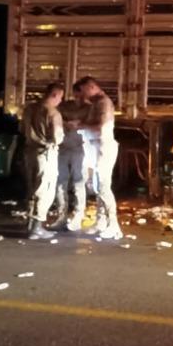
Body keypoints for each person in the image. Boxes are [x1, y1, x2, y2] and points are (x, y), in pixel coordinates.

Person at [77, 76, 122, 240]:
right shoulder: (96, 103)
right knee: (98, 187)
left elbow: (102, 128)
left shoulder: (104, 103)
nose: (83, 96)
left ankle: (114, 225)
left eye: (83, 91)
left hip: (103, 148)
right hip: (95, 147)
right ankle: (101, 221)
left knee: (103, 187)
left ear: (91, 87)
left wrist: (80, 126)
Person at [21, 82, 64, 239]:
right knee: (44, 189)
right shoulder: (53, 113)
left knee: (32, 187)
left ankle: (29, 224)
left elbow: (22, 129)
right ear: (55, 95)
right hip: (45, 153)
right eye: (60, 97)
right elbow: (57, 138)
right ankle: (37, 228)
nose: (60, 100)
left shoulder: (29, 108)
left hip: (29, 151)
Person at [49, 81, 89, 231]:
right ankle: (61, 215)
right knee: (60, 182)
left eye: (81, 96)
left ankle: (78, 215)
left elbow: (96, 123)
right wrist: (66, 123)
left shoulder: (89, 109)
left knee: (79, 182)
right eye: (76, 95)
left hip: (80, 149)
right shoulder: (64, 106)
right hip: (63, 148)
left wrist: (80, 124)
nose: (78, 98)